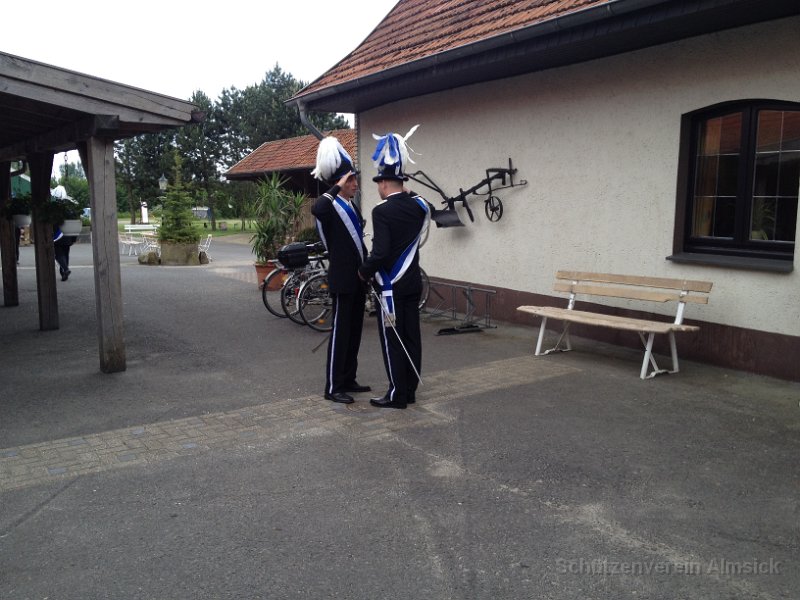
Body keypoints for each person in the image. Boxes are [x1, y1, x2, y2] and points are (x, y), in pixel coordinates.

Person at [358, 126, 430, 409]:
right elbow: (427, 204)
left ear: (385, 183)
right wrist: (407, 191)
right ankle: (409, 390)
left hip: (391, 288)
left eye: (379, 182)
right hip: (413, 283)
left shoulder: (382, 211)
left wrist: (364, 271)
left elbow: (381, 252)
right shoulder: (419, 207)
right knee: (411, 336)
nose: (378, 188)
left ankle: (396, 394)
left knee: (392, 339)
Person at [310, 136, 371, 404]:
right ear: (340, 182)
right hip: (342, 279)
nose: (356, 184)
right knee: (341, 333)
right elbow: (317, 207)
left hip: (357, 279)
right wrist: (336, 186)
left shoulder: (349, 205)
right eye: (351, 180)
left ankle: (348, 379)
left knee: (354, 332)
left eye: (355, 179)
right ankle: (333, 387)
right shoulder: (330, 205)